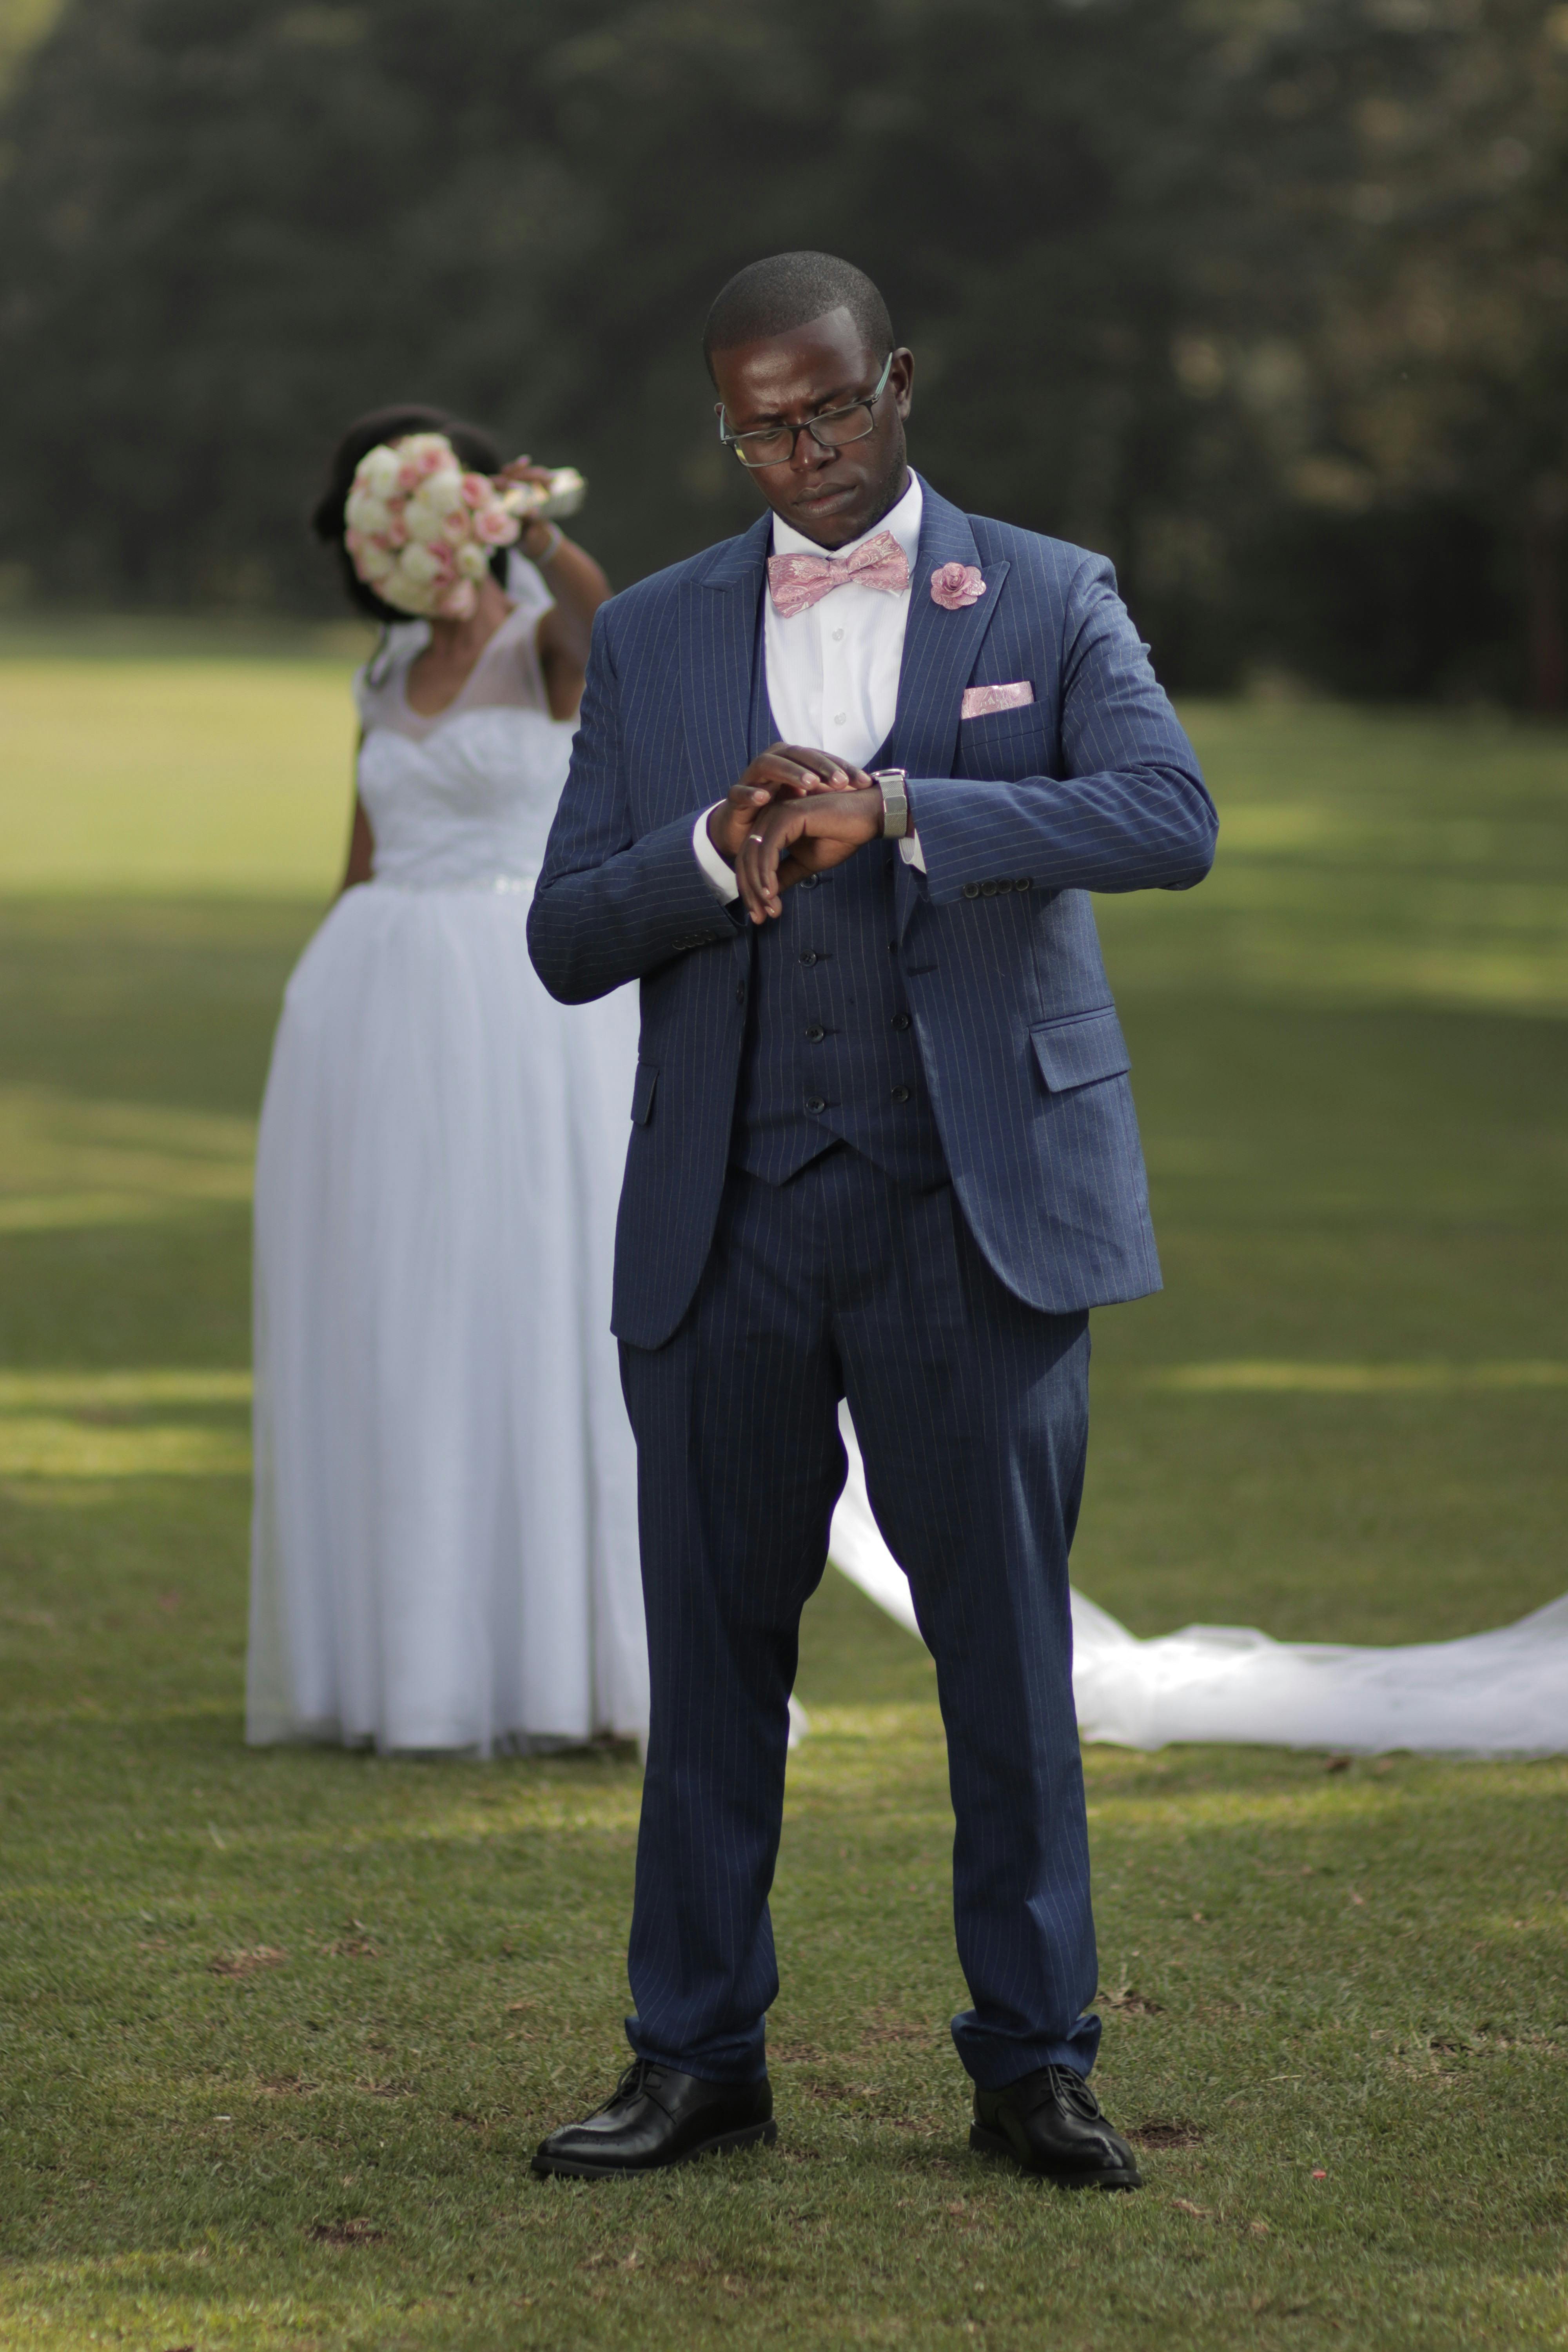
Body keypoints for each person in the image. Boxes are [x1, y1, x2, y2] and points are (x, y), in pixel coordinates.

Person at [525, 254, 1217, 2185]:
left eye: (830, 408)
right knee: (714, 1663)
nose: (804, 452)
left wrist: (908, 808)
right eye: (762, 422)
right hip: (725, 1216)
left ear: (894, 381)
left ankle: (1033, 2060)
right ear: (724, 424)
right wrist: (703, 845)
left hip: (971, 1215)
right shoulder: (656, 637)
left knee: (1001, 1659)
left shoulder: (1051, 594)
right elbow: (565, 934)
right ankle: (695, 2057)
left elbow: (1168, 817)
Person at [246, 403, 648, 1757]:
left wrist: (531, 526)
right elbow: (361, 853)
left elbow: (606, 626)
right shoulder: (383, 669)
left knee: (534, 1291)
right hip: (372, 1006)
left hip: (517, 1001)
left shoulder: (547, 643)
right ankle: (403, 1664)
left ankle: (566, 1664)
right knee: (393, 1308)